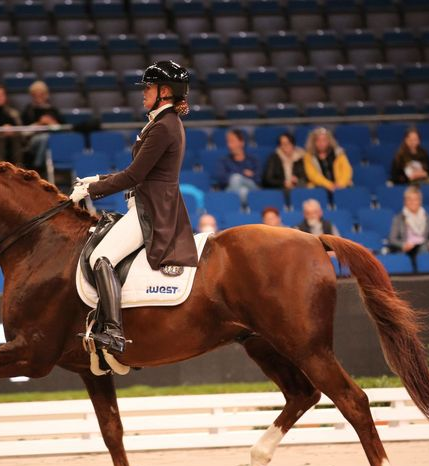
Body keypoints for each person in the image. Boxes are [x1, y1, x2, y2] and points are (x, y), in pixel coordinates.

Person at [69, 60, 197, 354]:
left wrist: (91, 190)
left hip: (152, 210)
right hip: (146, 204)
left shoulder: (164, 126)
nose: (143, 93)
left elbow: (135, 176)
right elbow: (137, 171)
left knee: (101, 257)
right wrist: (97, 178)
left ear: (165, 91)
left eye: (149, 88)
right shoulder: (161, 122)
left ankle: (113, 330)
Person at [21, 80, 64, 171]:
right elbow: (24, 131)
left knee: (47, 139)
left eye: (41, 94)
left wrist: (53, 123)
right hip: (33, 141)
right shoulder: (28, 111)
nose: (39, 97)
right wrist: (39, 124)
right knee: (44, 138)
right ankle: (38, 167)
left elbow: (63, 129)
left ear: (46, 95)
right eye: (36, 94)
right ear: (32, 96)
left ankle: (38, 167)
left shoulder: (53, 110)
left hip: (53, 139)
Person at [215, 129, 262, 203]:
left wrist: (238, 176)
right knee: (241, 188)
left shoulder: (253, 160)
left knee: (236, 179)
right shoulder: (223, 161)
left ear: (241, 142)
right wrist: (243, 173)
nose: (229, 145)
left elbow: (258, 179)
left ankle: (235, 206)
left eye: (232, 141)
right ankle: (243, 208)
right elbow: (221, 179)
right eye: (228, 142)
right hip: (230, 191)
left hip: (252, 190)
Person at [389, 186, 429, 259]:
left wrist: (428, 244)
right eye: (409, 199)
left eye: (415, 199)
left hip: (423, 248)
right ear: (405, 202)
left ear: (420, 201)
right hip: (406, 249)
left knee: (423, 248)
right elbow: (392, 239)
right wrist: (403, 245)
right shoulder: (399, 218)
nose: (412, 202)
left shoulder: (427, 218)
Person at [303, 127, 353, 193]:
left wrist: (340, 185)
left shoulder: (338, 153)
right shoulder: (308, 156)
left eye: (324, 140)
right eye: (318, 140)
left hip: (340, 187)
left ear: (329, 141)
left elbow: (347, 170)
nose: (321, 143)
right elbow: (312, 175)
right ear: (313, 142)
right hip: (320, 187)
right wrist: (329, 185)